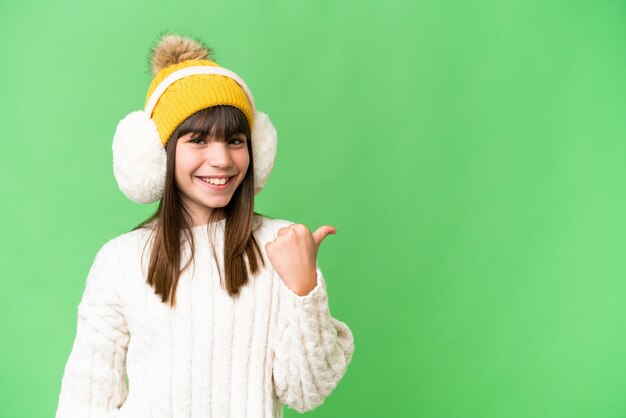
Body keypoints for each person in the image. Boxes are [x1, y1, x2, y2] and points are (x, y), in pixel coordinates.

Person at [55, 33, 355, 418]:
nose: (222, 160)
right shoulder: (120, 261)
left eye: (235, 140)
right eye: (198, 140)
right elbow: (84, 404)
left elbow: (306, 392)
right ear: (158, 154)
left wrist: (304, 289)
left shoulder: (281, 245)